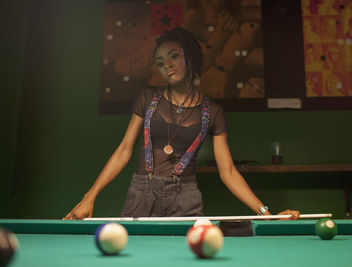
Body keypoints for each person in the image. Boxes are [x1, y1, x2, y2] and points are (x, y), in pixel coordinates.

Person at [64, 27, 300, 220]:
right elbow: (124, 150)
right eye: (160, 62)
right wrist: (90, 196)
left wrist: (266, 214)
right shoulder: (147, 99)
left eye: (173, 56)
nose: (167, 64)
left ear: (189, 56)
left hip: (185, 198)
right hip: (141, 195)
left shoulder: (214, 112)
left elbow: (227, 171)